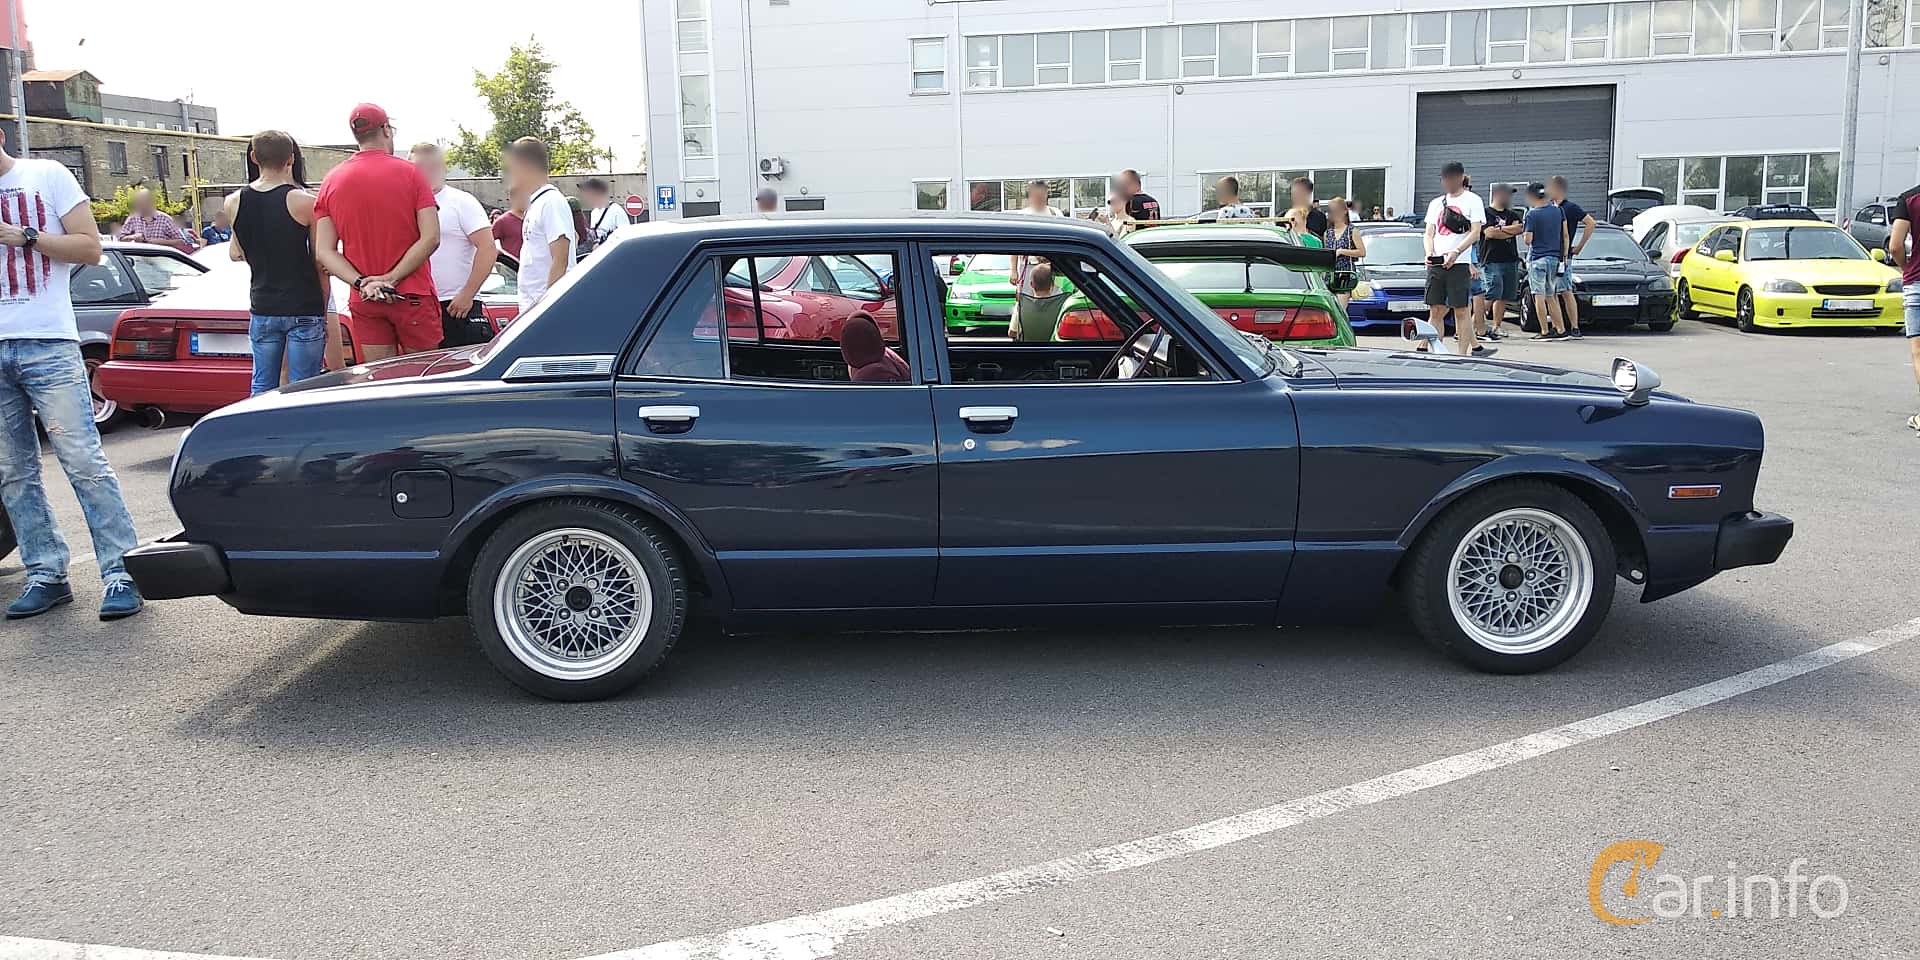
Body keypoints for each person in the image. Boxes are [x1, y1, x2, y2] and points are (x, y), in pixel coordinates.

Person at [0, 129, 143, 620]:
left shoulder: (46, 174)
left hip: (49, 341)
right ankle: (46, 572)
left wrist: (26, 236)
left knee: (83, 460)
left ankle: (121, 571)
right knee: (13, 471)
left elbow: (90, 248)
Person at [312, 103, 442, 361]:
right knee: (424, 379)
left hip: (366, 298)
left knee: (381, 380)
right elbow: (431, 237)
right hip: (411, 294)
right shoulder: (411, 174)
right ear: (385, 130)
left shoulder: (331, 180)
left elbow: (324, 251)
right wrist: (392, 278)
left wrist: (362, 282)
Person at [226, 129, 337, 397]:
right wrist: (323, 311)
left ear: (253, 157)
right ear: (290, 159)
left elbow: (235, 252)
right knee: (303, 388)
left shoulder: (233, 202)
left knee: (262, 385)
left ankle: (259, 436)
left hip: (262, 304)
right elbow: (320, 259)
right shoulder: (306, 204)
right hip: (303, 305)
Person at [410, 142, 498, 349]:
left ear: (444, 168)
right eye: (420, 167)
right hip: (418, 303)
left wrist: (467, 294)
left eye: (433, 166)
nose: (428, 172)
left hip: (456, 304)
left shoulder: (461, 202)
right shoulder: (405, 203)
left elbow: (488, 248)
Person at [504, 137, 576, 312]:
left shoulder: (551, 202)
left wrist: (547, 307)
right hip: (532, 306)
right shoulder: (536, 204)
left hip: (546, 310)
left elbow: (561, 258)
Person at [1422, 161, 1485, 355]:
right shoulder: (1436, 204)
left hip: (1459, 262)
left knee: (1461, 310)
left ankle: (1461, 354)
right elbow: (1429, 233)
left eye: (1450, 178)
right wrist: (1429, 252)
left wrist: (1456, 251)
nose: (1447, 182)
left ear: (1460, 178)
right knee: (1435, 310)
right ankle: (1436, 351)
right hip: (1437, 263)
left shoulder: (1472, 200)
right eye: (1444, 179)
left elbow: (1475, 232)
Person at [1521, 182, 1570, 341]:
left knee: (1539, 296)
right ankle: (1561, 329)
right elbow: (1565, 235)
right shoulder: (1558, 210)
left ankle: (1544, 330)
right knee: (1552, 295)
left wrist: (1523, 234)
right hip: (1554, 258)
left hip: (1537, 259)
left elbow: (1528, 240)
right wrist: (1564, 256)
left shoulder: (1532, 214)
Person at [1548, 175, 1593, 340]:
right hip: (1549, 254)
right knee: (1550, 293)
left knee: (1566, 291)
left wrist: (1580, 246)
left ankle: (1574, 327)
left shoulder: (1570, 208)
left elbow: (1590, 223)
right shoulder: (1549, 208)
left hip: (1563, 257)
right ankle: (1557, 326)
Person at [1889, 183, 1919, 431]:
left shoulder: (1909, 199)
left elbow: (1895, 246)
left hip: (1918, 282)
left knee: (1919, 352)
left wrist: (1906, 267)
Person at [1479, 183, 1525, 340]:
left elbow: (1520, 228)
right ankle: (1474, 326)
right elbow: (1489, 234)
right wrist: (1508, 231)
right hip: (1491, 259)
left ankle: (1496, 326)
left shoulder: (1513, 214)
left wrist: (1500, 231)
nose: (1508, 198)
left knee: (1504, 295)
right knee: (1492, 292)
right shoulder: (1485, 213)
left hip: (1510, 259)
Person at [1322, 198, 1365, 310]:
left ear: (1344, 211)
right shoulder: (1328, 233)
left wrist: (1342, 251)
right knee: (1329, 311)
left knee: (1340, 311)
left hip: (1345, 276)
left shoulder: (1352, 231)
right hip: (1329, 276)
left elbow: (1362, 252)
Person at [117, 189, 191, 253]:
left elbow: (181, 242)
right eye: (138, 204)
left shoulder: (165, 219)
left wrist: (159, 242)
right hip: (140, 261)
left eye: (143, 204)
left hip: (162, 261)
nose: (140, 207)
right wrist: (133, 237)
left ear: (151, 202)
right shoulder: (133, 218)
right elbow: (120, 238)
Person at [580, 177, 630, 248]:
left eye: (588, 194)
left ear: (597, 193)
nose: (586, 198)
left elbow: (626, 237)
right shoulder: (594, 213)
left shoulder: (616, 210)